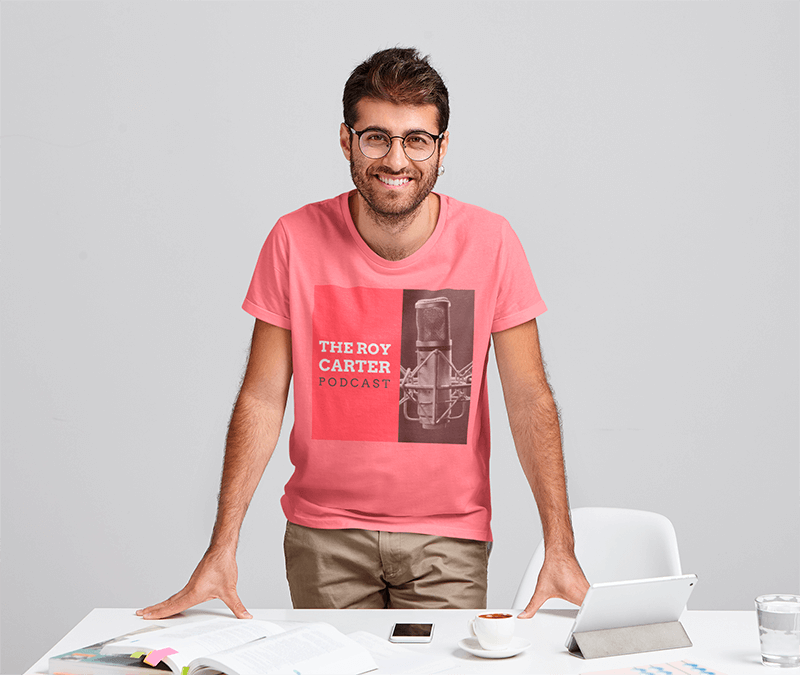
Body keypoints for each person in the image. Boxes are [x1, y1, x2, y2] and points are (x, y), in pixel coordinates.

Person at [138, 47, 589, 621]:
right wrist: (221, 547)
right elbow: (261, 397)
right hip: (324, 537)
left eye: (416, 140)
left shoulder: (492, 243)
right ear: (347, 140)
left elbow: (529, 399)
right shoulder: (294, 239)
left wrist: (560, 544)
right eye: (376, 137)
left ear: (442, 148)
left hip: (449, 540)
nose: (396, 159)